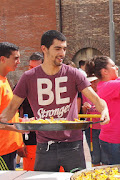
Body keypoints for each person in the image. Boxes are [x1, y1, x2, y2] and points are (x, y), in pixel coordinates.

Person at [0, 30, 110, 172]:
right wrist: (2, 121)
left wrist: (105, 110)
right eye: (57, 48)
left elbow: (97, 99)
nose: (62, 53)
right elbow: (11, 109)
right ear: (44, 49)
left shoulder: (74, 74)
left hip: (73, 144)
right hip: (44, 146)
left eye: (64, 49)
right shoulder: (28, 77)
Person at [0, 42, 24, 170]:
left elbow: (5, 115)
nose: (19, 61)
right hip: (2, 152)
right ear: (2, 59)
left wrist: (21, 121)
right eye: (15, 58)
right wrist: (17, 128)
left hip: (9, 149)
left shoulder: (4, 80)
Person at [18, 52, 43, 171]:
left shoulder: (52, 84)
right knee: (30, 174)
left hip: (53, 140)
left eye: (35, 68)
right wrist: (19, 141)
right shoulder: (22, 85)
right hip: (31, 140)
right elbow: (15, 113)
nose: (32, 71)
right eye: (30, 67)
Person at [82, 75, 107, 167]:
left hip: (103, 127)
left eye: (94, 81)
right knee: (95, 155)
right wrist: (84, 107)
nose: (92, 84)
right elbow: (84, 112)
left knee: (105, 156)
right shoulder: (85, 94)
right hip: (91, 128)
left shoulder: (104, 91)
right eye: (90, 82)